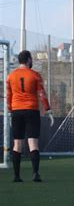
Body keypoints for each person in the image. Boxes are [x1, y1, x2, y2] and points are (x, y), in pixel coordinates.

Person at [6, 50, 53, 182]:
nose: (32, 61)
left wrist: (10, 111)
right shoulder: (35, 75)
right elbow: (42, 94)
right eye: (31, 59)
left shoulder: (10, 76)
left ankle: (16, 176)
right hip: (31, 110)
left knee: (17, 144)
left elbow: (9, 96)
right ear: (28, 60)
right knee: (33, 143)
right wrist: (48, 109)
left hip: (16, 110)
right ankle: (35, 174)